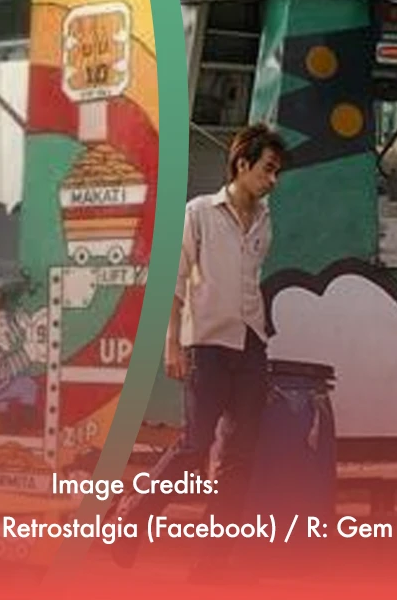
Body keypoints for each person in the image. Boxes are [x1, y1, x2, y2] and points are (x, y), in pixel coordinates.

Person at [111, 123, 285, 578]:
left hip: (250, 345)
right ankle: (130, 521)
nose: (273, 179)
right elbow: (174, 278)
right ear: (242, 165)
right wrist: (172, 342)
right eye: (268, 169)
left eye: (278, 172)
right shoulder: (199, 213)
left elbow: (250, 281)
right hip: (206, 344)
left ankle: (212, 563)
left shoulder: (266, 220)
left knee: (239, 455)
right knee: (195, 445)